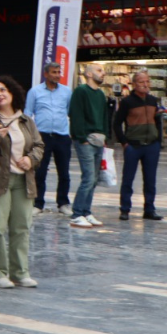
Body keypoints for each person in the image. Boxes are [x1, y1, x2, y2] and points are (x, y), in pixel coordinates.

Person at [0, 77, 44, 289]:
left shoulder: (25, 120)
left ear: (12, 92)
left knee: (21, 227)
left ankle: (20, 272)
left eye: (3, 90)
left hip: (23, 180)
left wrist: (30, 159)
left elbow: (39, 145)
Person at [113, 71, 164, 221]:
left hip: (151, 146)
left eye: (147, 81)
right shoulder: (127, 102)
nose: (145, 85)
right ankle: (125, 209)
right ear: (134, 85)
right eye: (142, 82)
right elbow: (116, 124)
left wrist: (158, 141)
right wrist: (124, 143)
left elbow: (158, 121)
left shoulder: (153, 100)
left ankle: (149, 209)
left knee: (150, 180)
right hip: (133, 146)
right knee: (128, 179)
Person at [24, 62, 72, 215]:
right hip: (42, 136)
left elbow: (70, 111)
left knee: (64, 172)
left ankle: (63, 203)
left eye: (59, 72)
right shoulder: (35, 92)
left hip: (62, 136)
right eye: (54, 72)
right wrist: (30, 135)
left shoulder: (67, 92)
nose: (57, 75)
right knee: (40, 171)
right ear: (46, 74)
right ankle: (38, 204)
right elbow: (27, 114)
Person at [68, 63, 111, 229]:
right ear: (89, 74)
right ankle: (77, 214)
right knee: (88, 177)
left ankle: (86, 211)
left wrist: (105, 135)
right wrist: (81, 137)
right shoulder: (81, 91)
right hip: (85, 139)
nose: (103, 73)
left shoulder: (100, 94)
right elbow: (76, 114)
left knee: (93, 179)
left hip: (99, 139)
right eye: (99, 70)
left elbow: (105, 116)